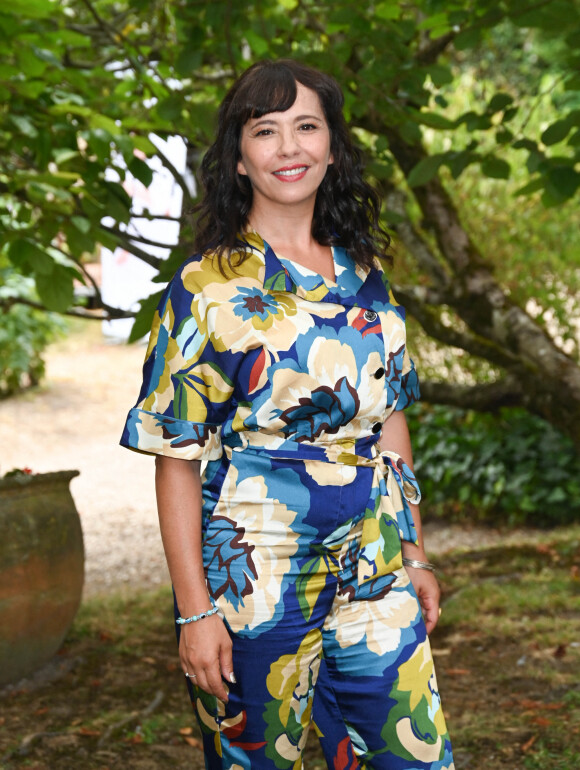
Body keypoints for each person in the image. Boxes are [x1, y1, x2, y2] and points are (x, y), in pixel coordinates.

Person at [121, 58, 454, 770]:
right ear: (239, 159)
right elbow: (174, 457)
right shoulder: (204, 289)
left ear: (333, 147)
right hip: (255, 576)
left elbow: (388, 419)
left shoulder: (366, 277)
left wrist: (415, 551)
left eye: (307, 126)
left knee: (413, 756)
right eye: (265, 131)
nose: (289, 147)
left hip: (376, 563)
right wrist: (195, 610)